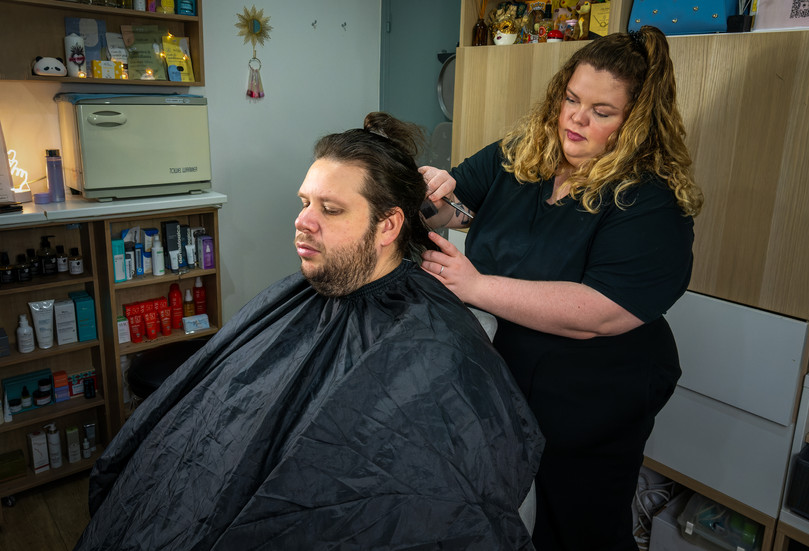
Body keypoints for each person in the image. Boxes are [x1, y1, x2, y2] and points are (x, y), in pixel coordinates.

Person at [73, 113, 544, 551]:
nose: (302, 221)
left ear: (388, 226)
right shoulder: (301, 297)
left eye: (331, 209)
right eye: (305, 202)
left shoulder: (435, 341)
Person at [418, 26, 703, 551]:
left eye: (601, 111)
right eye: (572, 99)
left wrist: (475, 286)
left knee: (575, 529)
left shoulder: (649, 199)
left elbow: (600, 310)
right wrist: (430, 194)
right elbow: (454, 205)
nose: (576, 117)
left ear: (637, 122)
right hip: (508, 382)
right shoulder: (524, 154)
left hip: (591, 400)